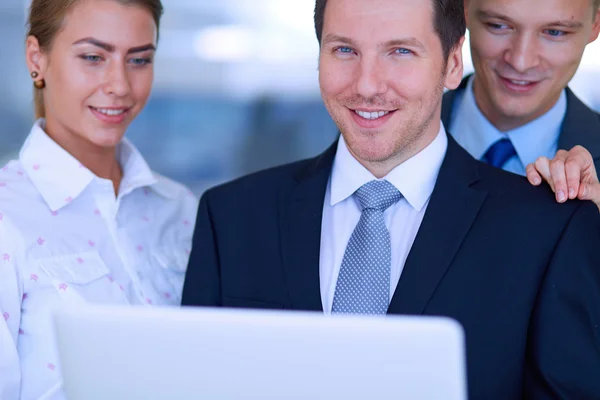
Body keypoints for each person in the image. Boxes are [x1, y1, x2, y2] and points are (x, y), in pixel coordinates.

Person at [181, 0, 600, 399]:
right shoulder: (230, 218)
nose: (366, 85)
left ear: (453, 63)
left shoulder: (548, 230)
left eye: (399, 51)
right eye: (344, 49)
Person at [0, 0, 198, 398]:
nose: (120, 85)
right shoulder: (7, 217)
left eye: (139, 60)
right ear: (36, 58)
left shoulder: (179, 207)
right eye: (93, 57)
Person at [441, 0, 600, 206]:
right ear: (464, 10)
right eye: (498, 26)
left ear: (595, 24)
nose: (520, 62)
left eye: (554, 32)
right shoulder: (393, 141)